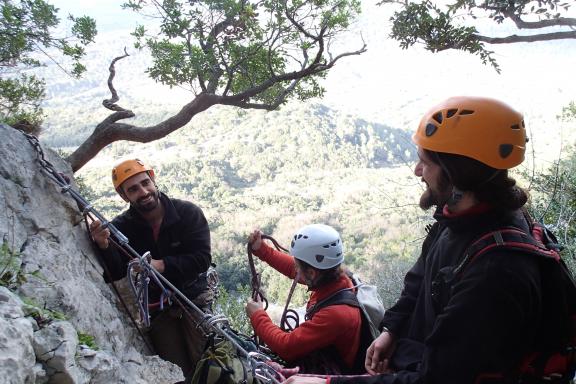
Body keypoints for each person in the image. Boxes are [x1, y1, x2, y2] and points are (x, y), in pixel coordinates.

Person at [285, 96, 545, 384]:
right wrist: (391, 331)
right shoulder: (459, 220)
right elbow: (420, 280)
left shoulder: (495, 272)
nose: (417, 171)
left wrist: (328, 383)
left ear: (457, 175)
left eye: (425, 162)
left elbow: (437, 379)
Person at [89, 158, 212, 380]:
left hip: (193, 297)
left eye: (146, 183)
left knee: (207, 363)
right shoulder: (120, 229)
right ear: (124, 196)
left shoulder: (188, 213)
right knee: (177, 371)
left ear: (153, 181)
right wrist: (104, 246)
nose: (143, 191)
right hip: (157, 308)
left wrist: (161, 265)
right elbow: (116, 273)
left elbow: (201, 259)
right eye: (133, 189)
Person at [245, 224, 363, 374]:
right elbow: (292, 268)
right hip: (325, 355)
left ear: (312, 273)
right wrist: (261, 249)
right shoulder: (336, 279)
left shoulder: (337, 313)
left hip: (332, 372)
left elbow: (286, 347)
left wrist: (257, 315)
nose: (296, 270)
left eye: (298, 267)